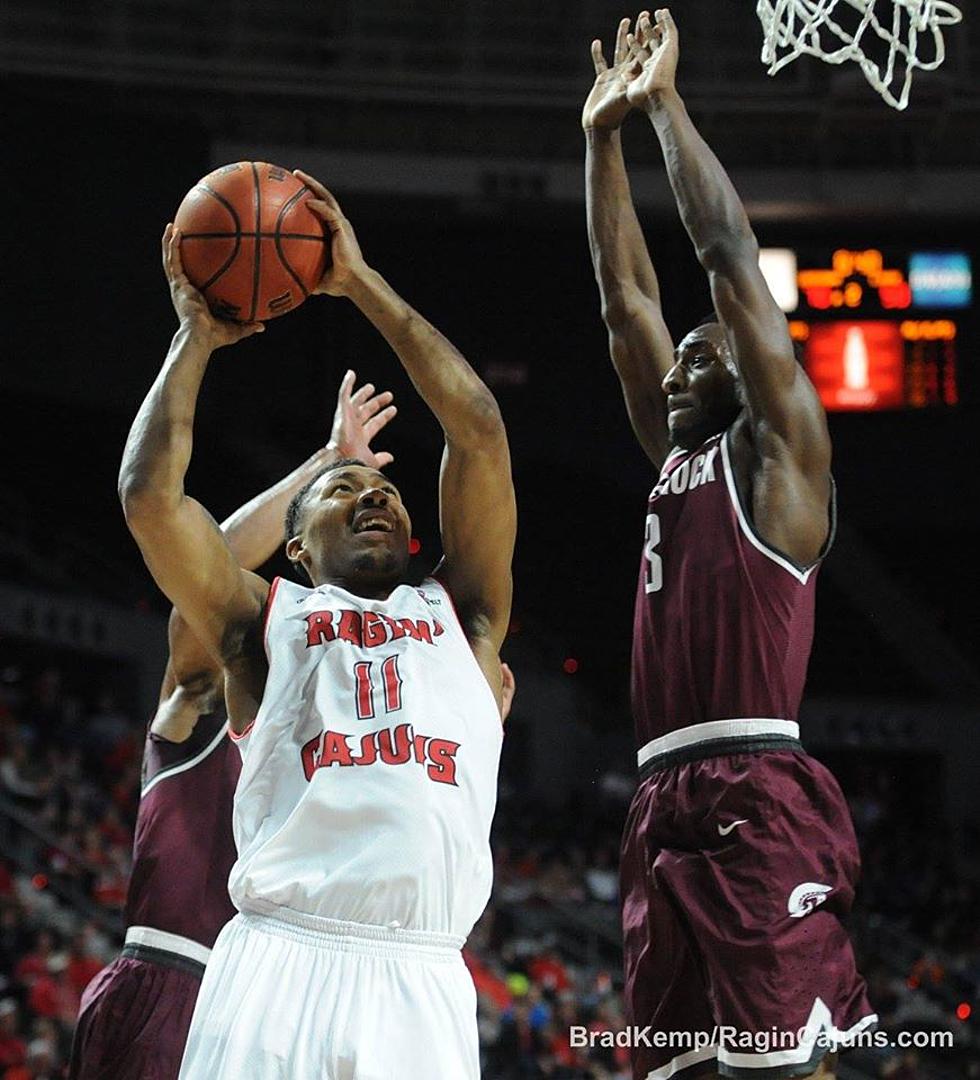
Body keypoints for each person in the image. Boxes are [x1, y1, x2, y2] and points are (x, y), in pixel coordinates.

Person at [118, 171, 516, 1079]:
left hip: (421, 972)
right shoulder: (263, 620)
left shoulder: (465, 616)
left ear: (414, 533)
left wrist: (358, 282)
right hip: (277, 956)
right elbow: (149, 498)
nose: (370, 493)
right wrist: (194, 340)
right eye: (342, 489)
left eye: (384, 490)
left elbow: (479, 430)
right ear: (295, 545)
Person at [583, 11, 875, 1079]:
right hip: (659, 794)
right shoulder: (672, 460)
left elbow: (726, 261)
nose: (673, 368)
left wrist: (661, 107)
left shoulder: (778, 467)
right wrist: (596, 141)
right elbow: (625, 306)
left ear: (747, 375)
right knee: (679, 1068)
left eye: (698, 355)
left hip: (756, 790)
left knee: (788, 1067)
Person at [70, 372, 399, 1079]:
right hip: (172, 982)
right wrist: (326, 462)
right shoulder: (205, 697)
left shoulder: (342, 734)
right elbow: (206, 561)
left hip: (272, 1003)